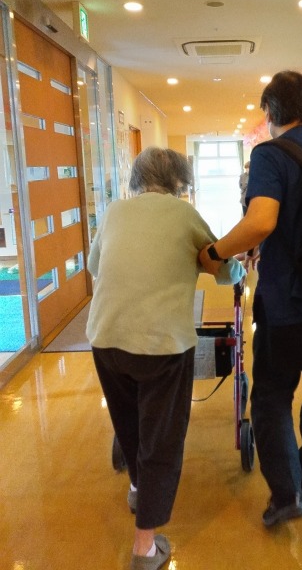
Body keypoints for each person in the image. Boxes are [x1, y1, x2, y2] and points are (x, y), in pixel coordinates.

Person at [199, 71, 302, 527]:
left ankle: (286, 494)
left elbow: (262, 220)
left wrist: (214, 252)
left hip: (291, 303)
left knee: (272, 394)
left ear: (270, 111)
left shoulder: (269, 153)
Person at [86, 146, 244, 570]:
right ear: (180, 182)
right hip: (162, 344)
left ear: (136, 179)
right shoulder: (184, 214)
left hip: (105, 337)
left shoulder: (115, 211)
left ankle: (139, 488)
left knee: (129, 422)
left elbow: (95, 264)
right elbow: (222, 267)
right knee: (162, 437)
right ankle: (144, 548)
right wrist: (240, 269)